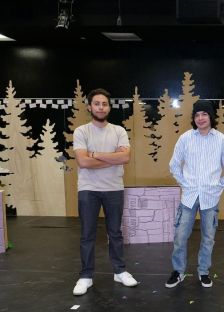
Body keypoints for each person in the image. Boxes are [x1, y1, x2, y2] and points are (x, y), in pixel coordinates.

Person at [72, 88, 138, 296]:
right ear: (90, 107)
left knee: (115, 233)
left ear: (109, 107)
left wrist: (95, 156)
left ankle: (119, 271)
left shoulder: (118, 131)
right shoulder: (81, 131)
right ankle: (86, 276)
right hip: (88, 190)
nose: (101, 107)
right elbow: (82, 161)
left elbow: (125, 158)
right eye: (97, 104)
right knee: (87, 234)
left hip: (114, 189)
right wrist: (111, 158)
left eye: (105, 104)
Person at [166, 101, 224, 288]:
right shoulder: (185, 138)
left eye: (204, 114)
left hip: (210, 198)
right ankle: (178, 271)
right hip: (188, 197)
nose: (200, 118)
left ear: (211, 117)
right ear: (194, 118)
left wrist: (219, 185)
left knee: (208, 238)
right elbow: (174, 164)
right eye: (197, 115)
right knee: (180, 237)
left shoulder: (221, 140)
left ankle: (203, 272)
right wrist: (184, 183)